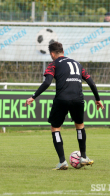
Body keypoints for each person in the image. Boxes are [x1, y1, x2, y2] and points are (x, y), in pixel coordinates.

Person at [25, 42, 104, 170]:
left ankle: (62, 161)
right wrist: (98, 99)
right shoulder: (77, 64)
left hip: (61, 99)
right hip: (78, 99)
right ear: (62, 51)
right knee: (80, 126)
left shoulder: (53, 64)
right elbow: (91, 82)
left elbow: (47, 83)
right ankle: (83, 156)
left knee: (55, 128)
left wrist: (33, 97)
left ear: (52, 54)